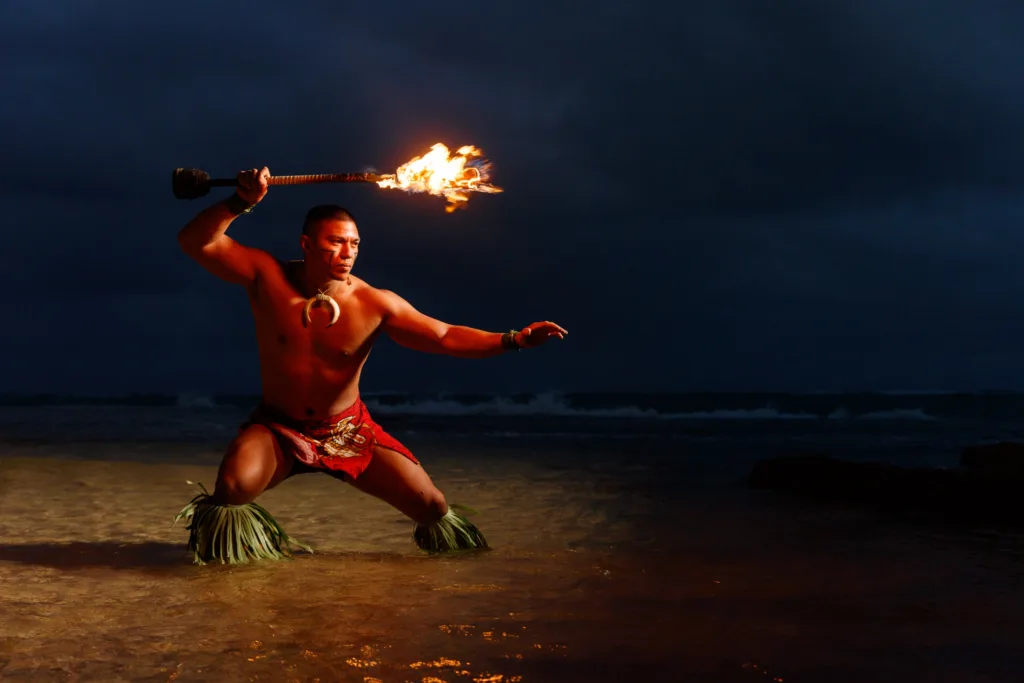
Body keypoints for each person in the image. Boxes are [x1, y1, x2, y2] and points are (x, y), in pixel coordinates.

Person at [172, 167, 567, 565]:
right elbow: (195, 241)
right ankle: (227, 575)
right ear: (306, 243)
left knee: (433, 507)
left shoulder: (375, 303)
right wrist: (240, 201)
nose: (348, 252)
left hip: (348, 430)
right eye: (336, 242)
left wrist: (514, 339)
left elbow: (444, 336)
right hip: (279, 427)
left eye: (354, 244)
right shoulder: (266, 276)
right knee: (232, 488)